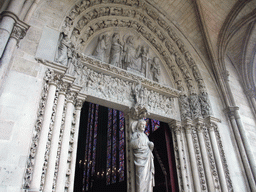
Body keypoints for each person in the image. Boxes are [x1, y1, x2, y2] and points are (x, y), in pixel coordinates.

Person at [130, 119, 155, 192]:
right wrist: (138, 140)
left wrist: (151, 145)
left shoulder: (145, 136)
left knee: (148, 178)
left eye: (144, 125)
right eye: (142, 124)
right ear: (138, 126)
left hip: (147, 158)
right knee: (141, 178)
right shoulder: (135, 134)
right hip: (140, 160)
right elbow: (131, 145)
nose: (144, 126)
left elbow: (148, 148)